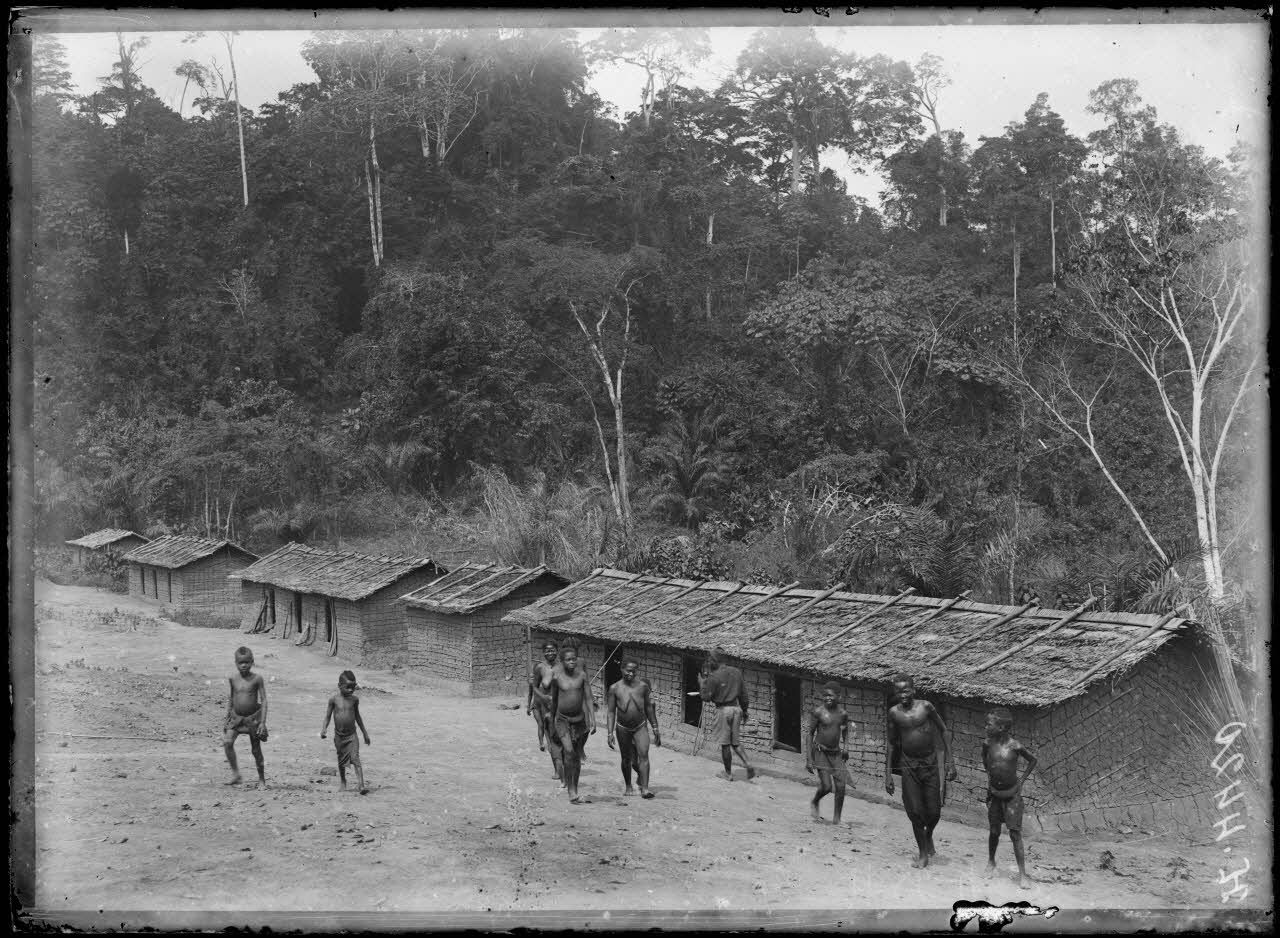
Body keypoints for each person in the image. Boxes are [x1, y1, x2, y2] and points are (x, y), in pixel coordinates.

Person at [884, 674, 956, 869]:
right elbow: (891, 744)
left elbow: (944, 731)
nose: (903, 695)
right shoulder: (894, 713)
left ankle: (928, 835)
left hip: (930, 764)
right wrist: (888, 774)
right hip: (909, 765)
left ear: (913, 690)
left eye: (906, 690)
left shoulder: (926, 707)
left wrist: (950, 761)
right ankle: (923, 854)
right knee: (915, 811)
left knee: (934, 812)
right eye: (899, 691)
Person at [982, 708, 1037, 888]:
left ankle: (1022, 874)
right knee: (994, 831)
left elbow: (1033, 760)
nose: (985, 727)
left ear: (1001, 727)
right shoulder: (987, 744)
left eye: (989, 724)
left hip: (1012, 795)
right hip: (995, 794)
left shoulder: (1015, 746)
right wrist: (991, 778)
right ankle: (991, 862)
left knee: (1015, 834)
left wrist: (1022, 780)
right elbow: (986, 762)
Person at [606, 657, 661, 798]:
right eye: (628, 671)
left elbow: (648, 708)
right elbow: (611, 712)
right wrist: (610, 733)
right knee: (627, 759)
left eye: (634, 671)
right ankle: (628, 786)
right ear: (622, 669)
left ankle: (645, 789)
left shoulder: (643, 687)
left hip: (640, 727)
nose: (631, 674)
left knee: (644, 755)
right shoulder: (614, 688)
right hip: (622, 728)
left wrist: (655, 728)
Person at [698, 646, 756, 781]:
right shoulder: (736, 672)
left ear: (715, 660)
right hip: (736, 709)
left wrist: (702, 684)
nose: (709, 661)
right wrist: (745, 711)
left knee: (725, 744)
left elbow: (705, 697)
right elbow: (744, 695)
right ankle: (748, 764)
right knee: (735, 743)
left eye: (710, 659)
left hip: (723, 711)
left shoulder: (714, 677)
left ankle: (728, 774)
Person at [550, 645, 596, 803]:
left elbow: (588, 698)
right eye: (568, 660)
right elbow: (554, 701)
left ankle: (574, 788)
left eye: (574, 659)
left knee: (575, 756)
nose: (572, 662)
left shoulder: (582, 676)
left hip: (579, 721)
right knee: (568, 752)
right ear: (562, 662)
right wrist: (552, 722)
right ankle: (570, 790)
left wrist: (593, 719)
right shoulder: (557, 678)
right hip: (562, 720)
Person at [807, 681, 852, 823]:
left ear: (839, 697)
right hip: (820, 752)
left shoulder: (843, 714)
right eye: (825, 695)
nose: (827, 698)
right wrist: (809, 759)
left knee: (841, 786)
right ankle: (815, 801)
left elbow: (845, 731)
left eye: (831, 695)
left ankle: (836, 819)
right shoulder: (818, 712)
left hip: (835, 753)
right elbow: (810, 734)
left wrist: (846, 747)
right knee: (826, 787)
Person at [320, 670, 372, 794]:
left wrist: (365, 733)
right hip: (339, 736)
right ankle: (343, 781)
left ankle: (361, 785)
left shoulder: (354, 700)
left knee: (355, 758)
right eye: (348, 687)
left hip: (352, 735)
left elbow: (358, 717)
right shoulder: (333, 700)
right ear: (339, 686)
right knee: (341, 760)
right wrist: (324, 729)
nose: (351, 690)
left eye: (353, 687)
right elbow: (327, 716)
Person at [223, 646, 268, 788]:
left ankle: (261, 780)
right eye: (240, 662)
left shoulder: (257, 679)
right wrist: (227, 716)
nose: (244, 665)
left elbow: (264, 700)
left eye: (247, 662)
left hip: (252, 719)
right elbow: (231, 697)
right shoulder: (233, 679)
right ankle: (236, 774)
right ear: (235, 663)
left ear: (252, 662)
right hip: (236, 718)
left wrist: (262, 722)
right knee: (227, 742)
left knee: (256, 750)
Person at [527, 640, 564, 781]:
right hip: (546, 709)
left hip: (562, 708)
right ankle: (557, 770)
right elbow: (534, 687)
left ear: (557, 651)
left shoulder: (562, 667)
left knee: (564, 739)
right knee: (551, 739)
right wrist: (542, 699)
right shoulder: (540, 668)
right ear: (543, 653)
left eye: (553, 650)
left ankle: (565, 766)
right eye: (547, 650)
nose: (550, 653)